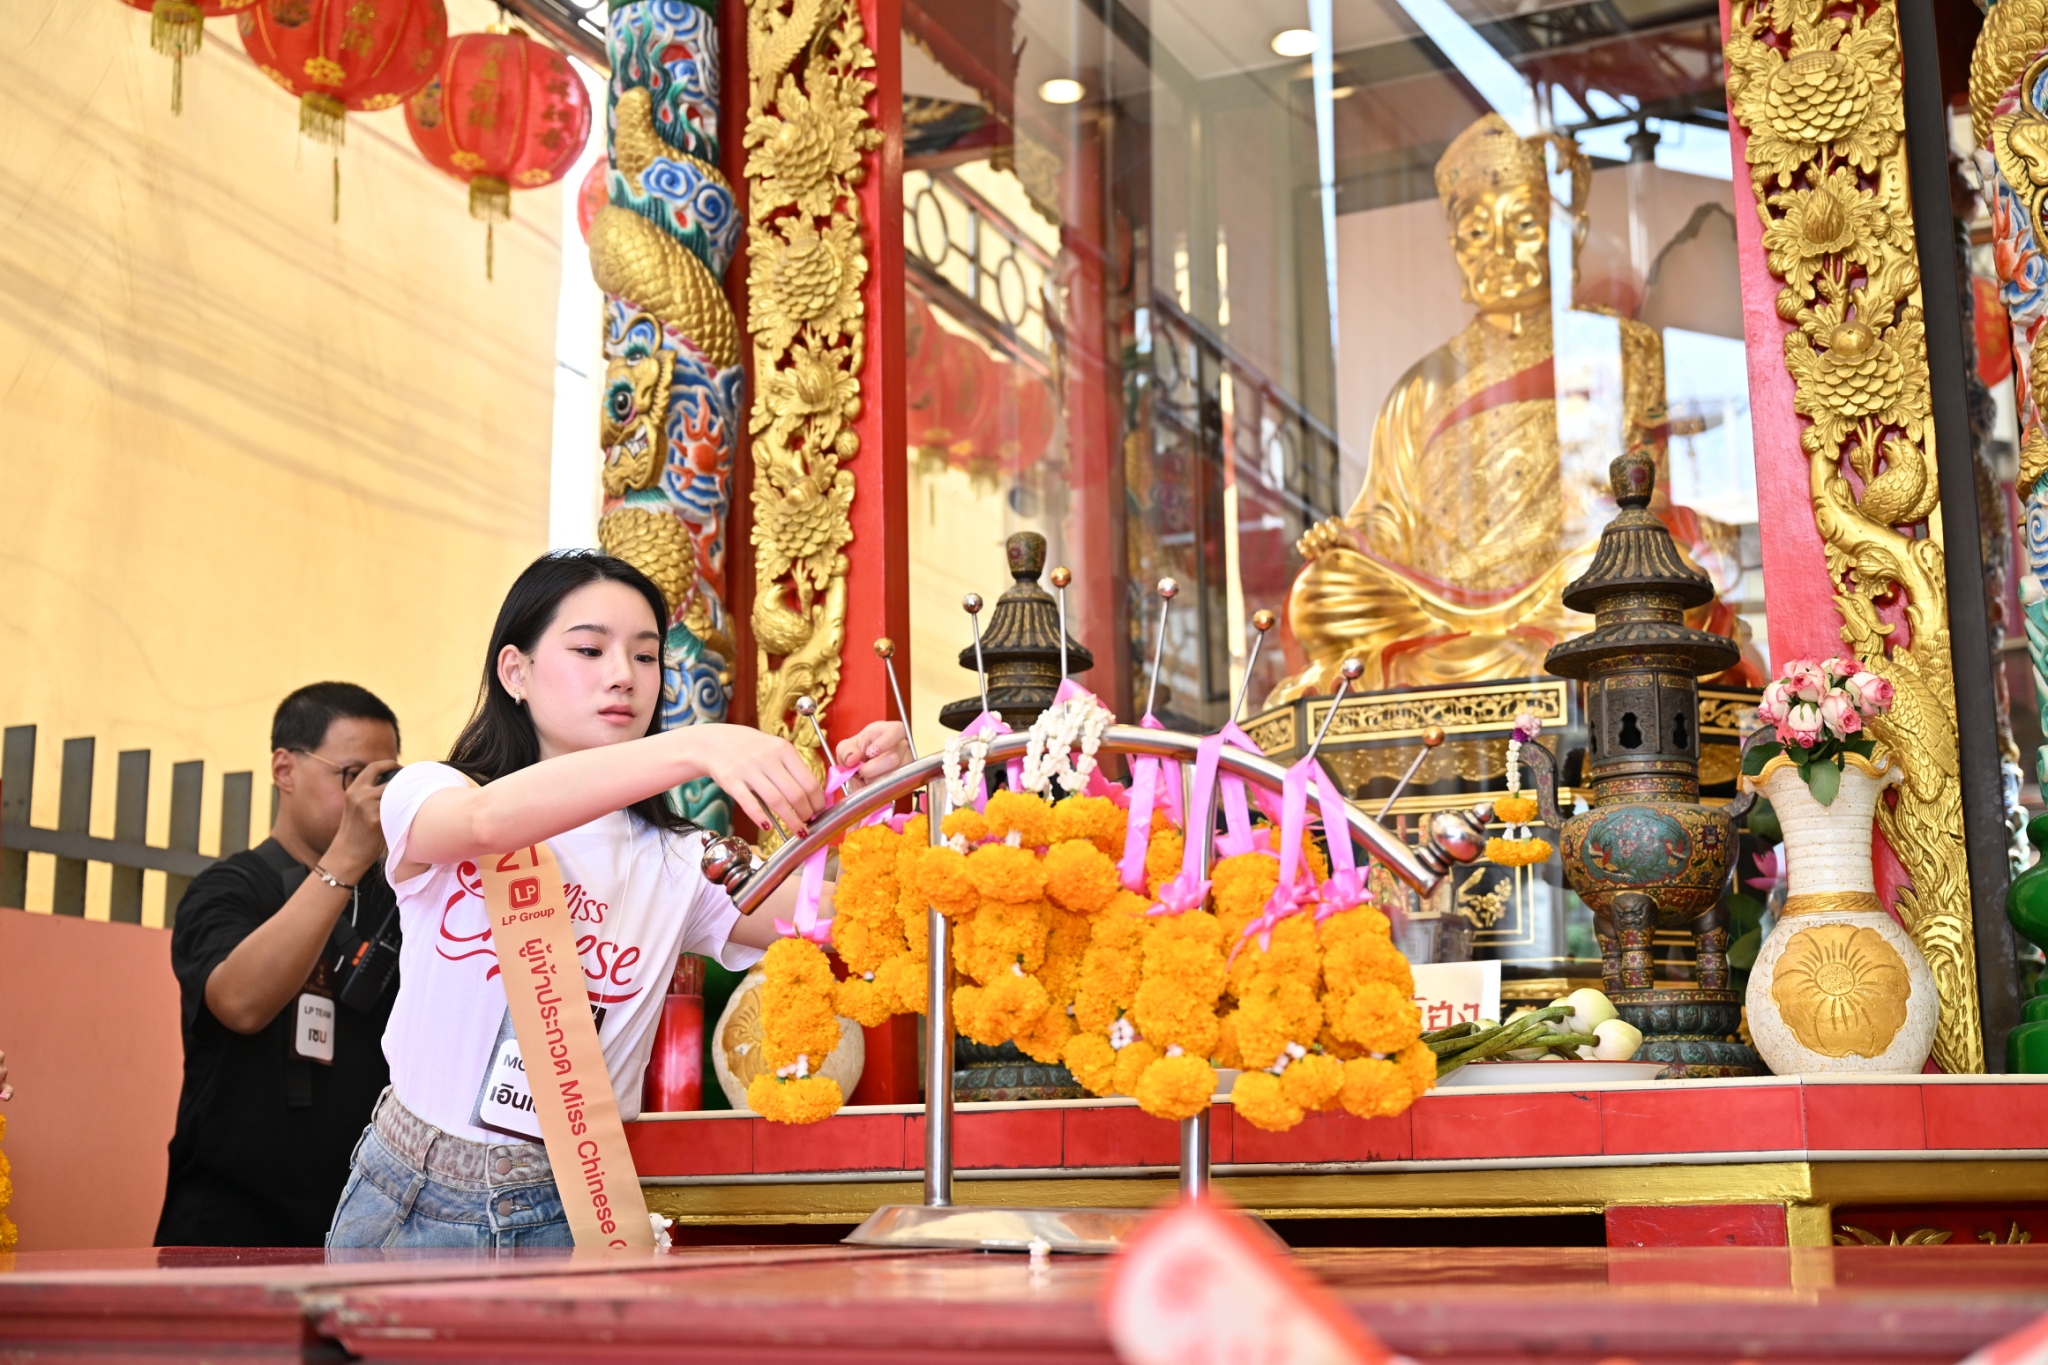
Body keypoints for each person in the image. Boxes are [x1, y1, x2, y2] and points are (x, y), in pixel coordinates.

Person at [327, 552, 909, 1250]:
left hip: (572, 1207)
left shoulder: (685, 860)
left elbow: (854, 921)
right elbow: (484, 824)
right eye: (589, 649)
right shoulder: (433, 790)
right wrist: (697, 747)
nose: (623, 676)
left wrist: (882, 802)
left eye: (645, 656)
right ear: (515, 671)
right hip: (411, 1192)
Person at [156, 683, 404, 1247]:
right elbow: (239, 1004)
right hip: (232, 1221)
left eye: (384, 779)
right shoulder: (229, 888)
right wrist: (347, 857)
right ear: (284, 770)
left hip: (363, 1223)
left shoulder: (397, 900)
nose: (369, 798)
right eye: (351, 775)